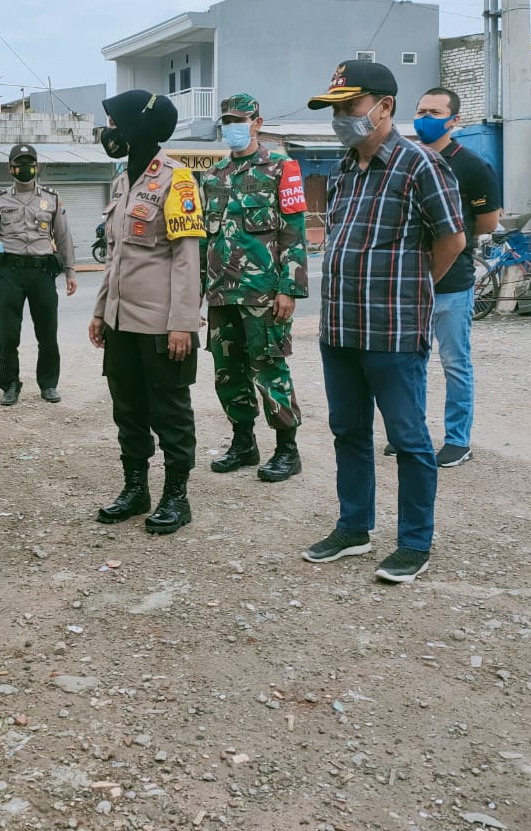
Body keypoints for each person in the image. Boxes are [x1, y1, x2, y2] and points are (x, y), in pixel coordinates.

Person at [302, 60, 465, 583]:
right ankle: (354, 527)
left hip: (392, 331)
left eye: (348, 106)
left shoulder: (420, 165)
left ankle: (414, 542)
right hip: (339, 328)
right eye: (335, 110)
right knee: (348, 432)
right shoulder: (344, 169)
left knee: (408, 438)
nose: (340, 119)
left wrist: (411, 289)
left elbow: (453, 240)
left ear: (384, 106)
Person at [90, 89, 204, 535]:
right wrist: (100, 311)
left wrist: (183, 324)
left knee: (170, 411)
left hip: (161, 324)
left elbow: (186, 258)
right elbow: (115, 256)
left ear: (138, 126)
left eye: (115, 123)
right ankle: (136, 489)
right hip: (121, 321)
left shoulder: (178, 180)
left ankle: (177, 495)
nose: (109, 131)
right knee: (128, 409)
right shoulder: (123, 181)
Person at [384, 87, 502, 467]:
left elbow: (487, 223)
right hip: (409, 283)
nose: (424, 118)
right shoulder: (403, 160)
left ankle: (457, 441)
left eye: (434, 112)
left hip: (452, 284)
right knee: (409, 362)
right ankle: (411, 433)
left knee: (454, 363)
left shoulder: (472, 166)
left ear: (454, 120)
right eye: (420, 111)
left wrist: (448, 245)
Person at [202, 93, 308, 483]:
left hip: (263, 293)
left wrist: (289, 289)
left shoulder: (281, 168)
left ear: (257, 123)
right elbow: (205, 240)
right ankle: (243, 443)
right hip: (221, 293)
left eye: (239, 120)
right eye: (227, 121)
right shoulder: (213, 176)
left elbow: (294, 233)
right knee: (227, 372)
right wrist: (197, 294)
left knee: (269, 369)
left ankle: (287, 449)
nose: (232, 126)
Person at [0, 143, 77, 406]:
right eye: (20, 163)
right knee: (8, 334)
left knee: (47, 332)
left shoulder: (52, 199)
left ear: (37, 167)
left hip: (43, 271)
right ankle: (10, 384)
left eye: (30, 163)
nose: (26, 168)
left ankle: (49, 384)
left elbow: (64, 237)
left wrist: (70, 271)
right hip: (11, 271)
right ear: (11, 168)